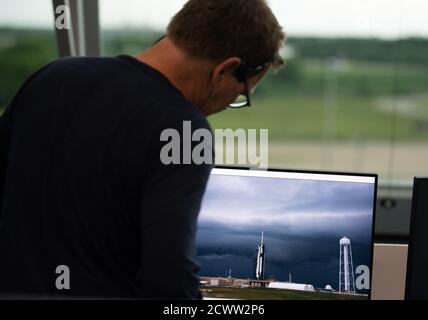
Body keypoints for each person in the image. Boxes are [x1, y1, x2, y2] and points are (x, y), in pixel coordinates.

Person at [0, 0, 284, 299]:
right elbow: (167, 278)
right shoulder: (184, 130)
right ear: (225, 69)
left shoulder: (53, 76)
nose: (230, 105)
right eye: (240, 94)